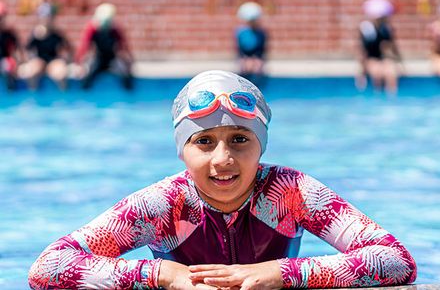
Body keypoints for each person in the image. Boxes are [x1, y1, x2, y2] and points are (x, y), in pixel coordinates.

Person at [29, 70, 417, 289]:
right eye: (204, 142)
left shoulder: (291, 192)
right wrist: (162, 274)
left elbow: (396, 260)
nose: (223, 159)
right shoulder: (161, 205)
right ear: (182, 151)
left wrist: (280, 273)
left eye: (239, 139)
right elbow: (48, 267)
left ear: (261, 145)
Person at [75, 3, 133, 90]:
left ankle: (128, 96)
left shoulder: (115, 29)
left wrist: (129, 61)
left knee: (126, 74)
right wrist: (79, 64)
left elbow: (123, 46)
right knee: (87, 77)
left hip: (112, 58)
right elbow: (84, 47)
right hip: (98, 58)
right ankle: (85, 94)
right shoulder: (92, 28)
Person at [20, 3, 73, 90]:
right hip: (40, 61)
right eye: (44, 17)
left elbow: (68, 48)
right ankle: (33, 96)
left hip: (53, 60)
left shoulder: (56, 34)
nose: (46, 19)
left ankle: (64, 97)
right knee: (31, 73)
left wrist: (67, 61)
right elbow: (27, 49)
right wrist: (29, 61)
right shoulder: (36, 34)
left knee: (61, 74)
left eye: (49, 17)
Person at [356, 0, 403, 94]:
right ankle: (377, 97)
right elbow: (363, 51)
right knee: (376, 73)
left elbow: (392, 47)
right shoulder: (366, 29)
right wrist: (361, 72)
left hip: (382, 57)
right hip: (371, 58)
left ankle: (391, 97)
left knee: (390, 72)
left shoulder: (386, 29)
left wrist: (399, 62)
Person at [235, 2, 267, 88]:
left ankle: (258, 86)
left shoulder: (261, 33)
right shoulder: (241, 33)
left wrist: (257, 60)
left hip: (257, 56)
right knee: (246, 66)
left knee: (257, 66)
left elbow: (261, 50)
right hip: (245, 56)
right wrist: (245, 60)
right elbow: (240, 50)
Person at [0, 1, 21, 91]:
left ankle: (11, 91)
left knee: (8, 64)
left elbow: (16, 52)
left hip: (4, 63)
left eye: (1, 17)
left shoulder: (9, 34)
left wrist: (17, 62)